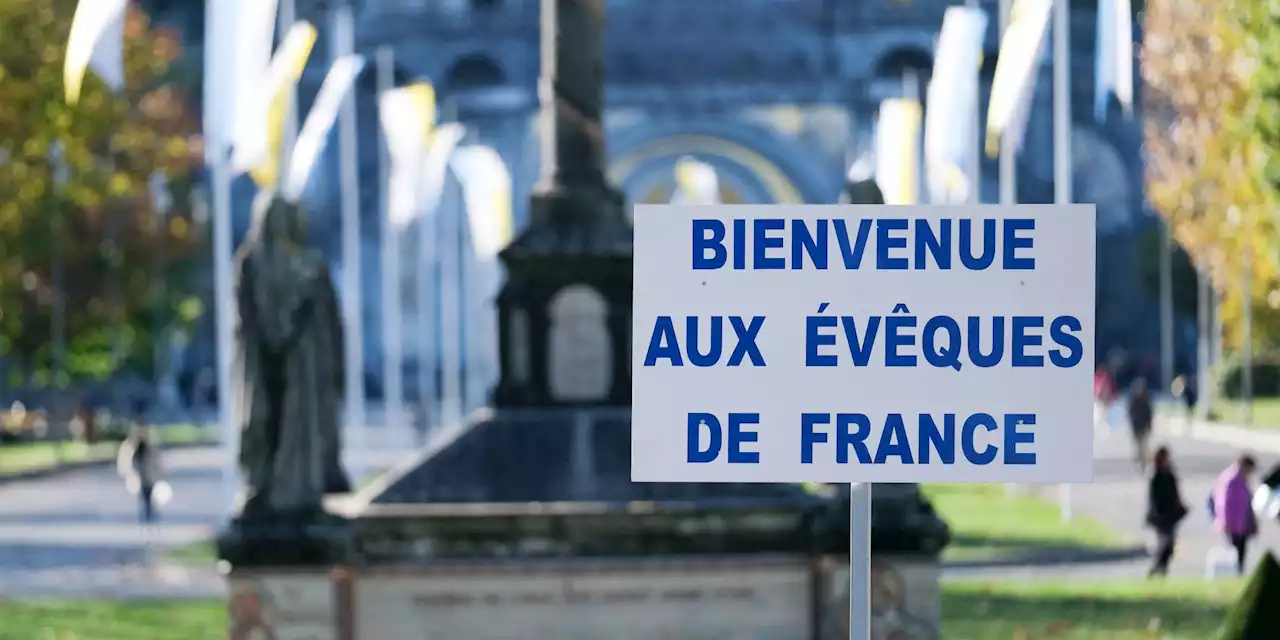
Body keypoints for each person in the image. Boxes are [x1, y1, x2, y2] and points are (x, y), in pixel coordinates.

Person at [1145, 446, 1188, 577]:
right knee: (1165, 544)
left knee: (1169, 546)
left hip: (1171, 515)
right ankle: (1156, 570)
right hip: (1161, 516)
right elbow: (1153, 498)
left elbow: (1175, 493)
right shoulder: (1155, 475)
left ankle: (1161, 570)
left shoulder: (1169, 474)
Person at [1213, 454, 1259, 574]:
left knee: (1240, 551)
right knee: (1235, 552)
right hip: (1232, 523)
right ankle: (1234, 574)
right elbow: (1223, 503)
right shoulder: (1231, 479)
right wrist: (1225, 521)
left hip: (1241, 523)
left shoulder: (1242, 479)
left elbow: (1247, 502)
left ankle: (1238, 573)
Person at [116, 422, 164, 528]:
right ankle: (148, 516)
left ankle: (149, 515)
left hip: (149, 476)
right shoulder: (135, 446)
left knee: (148, 496)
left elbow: (156, 461)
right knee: (145, 497)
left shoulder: (149, 445)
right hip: (143, 476)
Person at [1128, 378, 1154, 470]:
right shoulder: (1134, 402)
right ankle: (1140, 456)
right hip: (1136, 426)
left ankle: (1143, 461)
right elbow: (1130, 413)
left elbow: (1149, 414)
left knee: (1144, 445)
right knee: (1138, 444)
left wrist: (1149, 425)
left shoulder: (1146, 402)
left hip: (1143, 427)